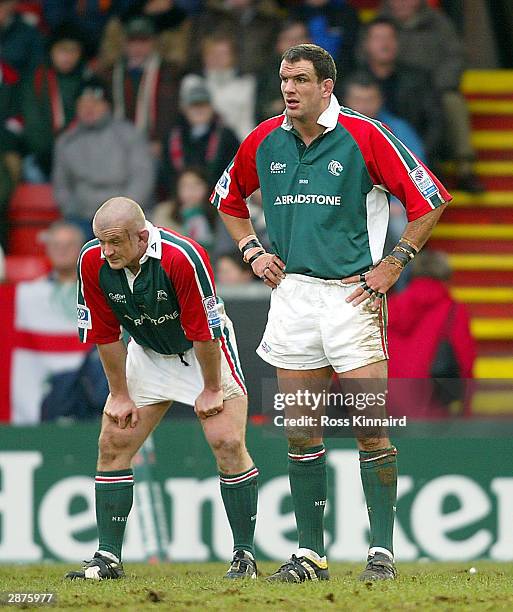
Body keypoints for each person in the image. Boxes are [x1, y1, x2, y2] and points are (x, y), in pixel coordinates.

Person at [211, 43, 452, 582]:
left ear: (327, 86)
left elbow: (429, 198)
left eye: (299, 79)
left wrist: (395, 261)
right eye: (283, 79)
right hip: (294, 295)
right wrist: (252, 250)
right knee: (301, 430)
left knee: (369, 424)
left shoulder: (365, 135)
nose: (289, 89)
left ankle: (382, 552)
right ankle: (310, 555)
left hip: (352, 298)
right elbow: (227, 199)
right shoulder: (262, 139)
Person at [67, 197, 258, 580]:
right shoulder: (92, 260)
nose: (107, 252)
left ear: (141, 237)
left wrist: (209, 388)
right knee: (113, 443)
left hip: (202, 349)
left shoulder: (182, 256)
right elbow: (105, 334)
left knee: (227, 443)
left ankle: (244, 556)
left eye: (116, 242)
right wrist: (119, 394)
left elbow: (204, 331)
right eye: (101, 242)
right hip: (148, 352)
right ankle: (107, 557)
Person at [381, 0, 483, 192]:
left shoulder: (439, 23)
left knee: (452, 102)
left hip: (434, 88)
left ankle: (465, 167)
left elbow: (455, 57)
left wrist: (437, 85)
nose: (402, 4)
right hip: (396, 87)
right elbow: (365, 54)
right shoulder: (380, 23)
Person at [52, 79, 155, 236]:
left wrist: (123, 213)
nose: (89, 109)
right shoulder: (67, 142)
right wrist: (73, 209)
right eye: (83, 105)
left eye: (95, 103)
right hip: (81, 217)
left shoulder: (128, 134)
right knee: (62, 237)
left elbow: (142, 180)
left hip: (124, 217)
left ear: (107, 106)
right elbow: (61, 186)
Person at [387, 250, 475, 419]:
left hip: (387, 403)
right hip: (432, 404)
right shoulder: (453, 310)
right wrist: (466, 407)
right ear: (446, 276)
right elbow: (465, 359)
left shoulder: (390, 306)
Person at [355, 17, 442, 166]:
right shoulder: (351, 81)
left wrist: (418, 155)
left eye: (390, 38)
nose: (385, 43)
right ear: (366, 44)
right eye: (378, 38)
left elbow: (435, 125)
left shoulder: (420, 79)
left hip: (414, 157)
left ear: (398, 43)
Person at [99, 15, 182, 159]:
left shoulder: (169, 73)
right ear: (124, 43)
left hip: (155, 146)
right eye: (132, 41)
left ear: (153, 42)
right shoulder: (110, 74)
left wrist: (160, 140)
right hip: (117, 144)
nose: (137, 47)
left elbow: (170, 111)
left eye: (143, 41)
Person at [21, 22, 89, 181]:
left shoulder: (89, 82)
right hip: (42, 155)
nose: (68, 56)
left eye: (73, 51)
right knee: (31, 170)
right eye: (62, 50)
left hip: (82, 157)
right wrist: (53, 153)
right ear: (51, 51)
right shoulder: (36, 81)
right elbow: (32, 126)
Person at [161, 80, 240, 193]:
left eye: (203, 105)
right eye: (194, 106)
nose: (199, 110)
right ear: (184, 109)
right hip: (178, 201)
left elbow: (235, 171)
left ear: (212, 108)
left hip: (218, 200)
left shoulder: (227, 136)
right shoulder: (171, 137)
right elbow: (166, 174)